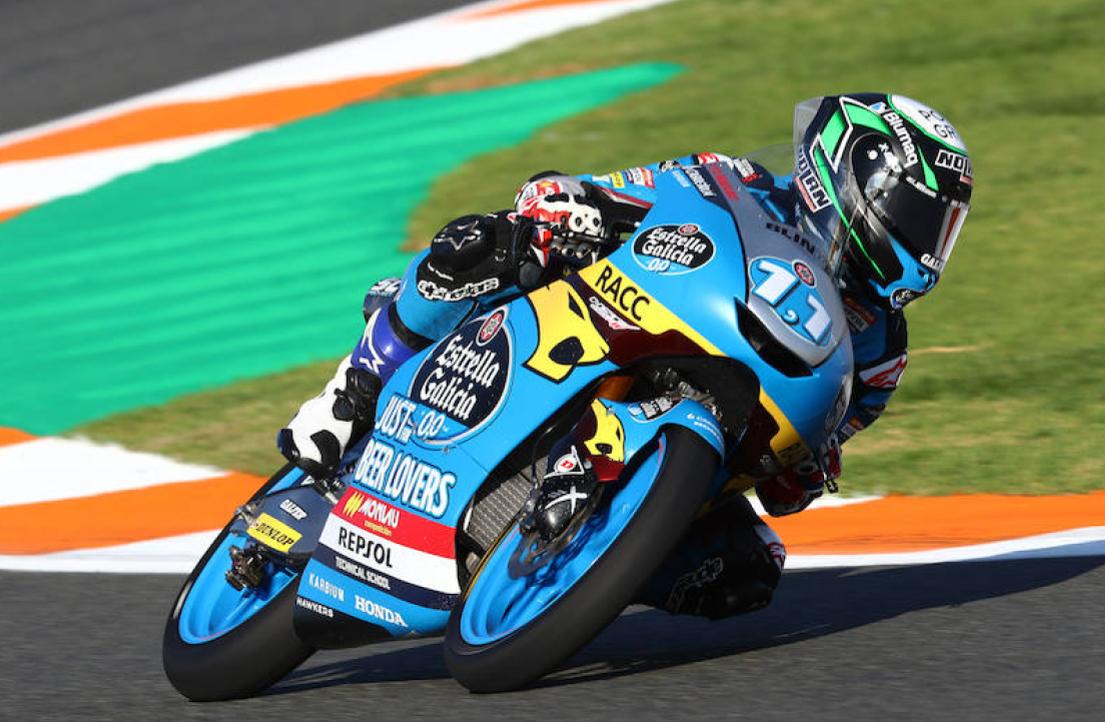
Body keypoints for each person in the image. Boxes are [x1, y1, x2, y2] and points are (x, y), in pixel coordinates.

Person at [278, 93, 973, 619]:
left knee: (748, 570)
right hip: (604, 319)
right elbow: (616, 191)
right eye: (919, 218)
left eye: (940, 228)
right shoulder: (731, 180)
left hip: (702, 433)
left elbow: (810, 462)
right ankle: (355, 388)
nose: (926, 245)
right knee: (485, 243)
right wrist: (576, 207)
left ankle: (566, 576)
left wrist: (810, 466)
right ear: (851, 177)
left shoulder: (882, 350)